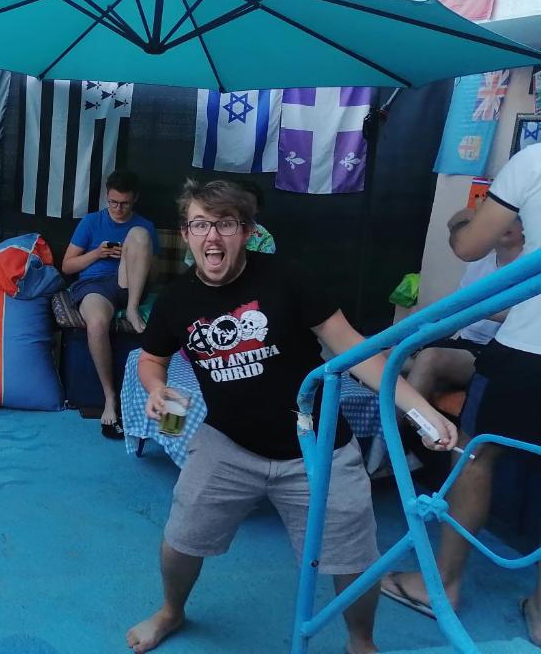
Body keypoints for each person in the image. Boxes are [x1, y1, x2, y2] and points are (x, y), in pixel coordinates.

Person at [126, 179, 456, 654]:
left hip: (317, 444)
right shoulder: (178, 300)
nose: (212, 236)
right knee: (182, 538)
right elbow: (151, 358)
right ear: (187, 233)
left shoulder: (288, 277)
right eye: (200, 224)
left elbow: (352, 349)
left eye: (225, 224)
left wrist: (418, 406)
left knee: (355, 557)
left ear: (247, 232)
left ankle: (361, 642)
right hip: (227, 443)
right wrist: (157, 388)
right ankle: (171, 611)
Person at [382, 147, 541, 646]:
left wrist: (460, 226)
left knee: (475, 458)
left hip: (529, 348)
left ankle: (443, 587)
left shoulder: (533, 161)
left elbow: (470, 245)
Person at [61, 169, 159, 438]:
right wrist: (98, 253)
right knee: (97, 322)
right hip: (94, 285)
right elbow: (67, 266)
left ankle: (132, 308)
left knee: (138, 234)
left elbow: (156, 276)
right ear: (107, 197)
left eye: (124, 203)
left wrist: (134, 255)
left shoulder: (145, 224)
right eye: (113, 202)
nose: (118, 208)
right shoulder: (91, 222)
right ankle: (109, 398)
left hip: (130, 286)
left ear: (134, 199)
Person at [404, 212, 523, 406]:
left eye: (515, 218)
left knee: (429, 357)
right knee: (390, 354)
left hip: (495, 353)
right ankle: (376, 425)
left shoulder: (532, 268)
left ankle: (386, 435)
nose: (505, 224)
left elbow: (524, 318)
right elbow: (457, 314)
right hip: (464, 343)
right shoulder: (478, 265)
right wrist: (423, 333)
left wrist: (479, 309)